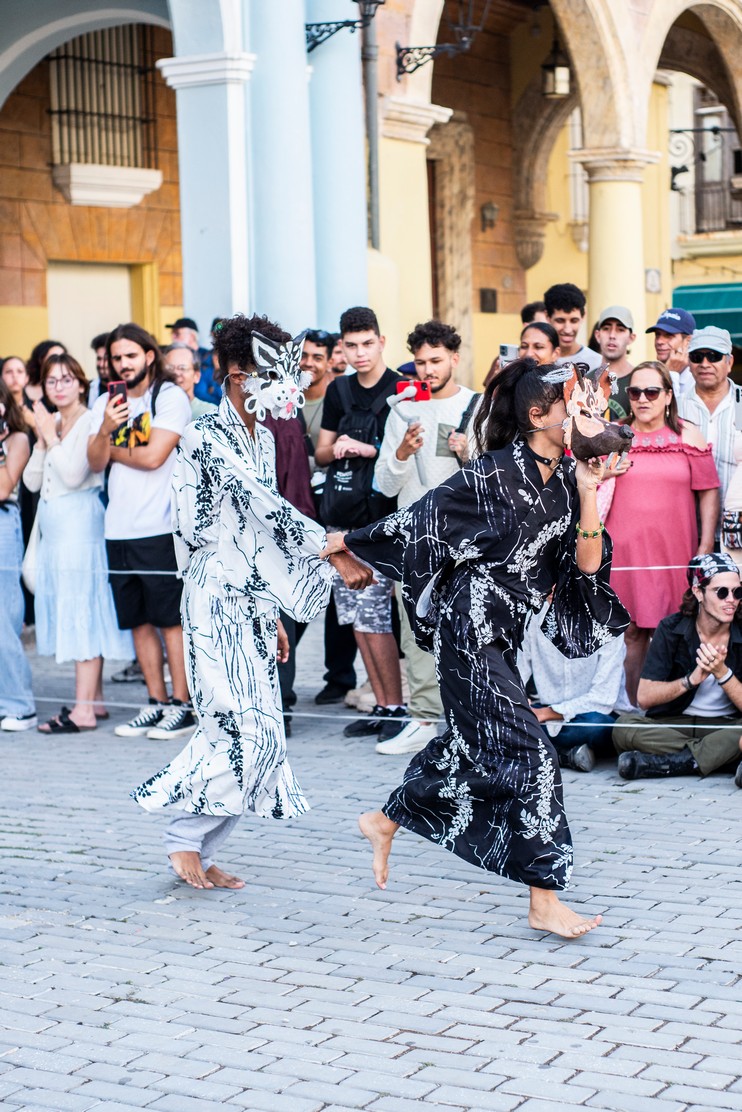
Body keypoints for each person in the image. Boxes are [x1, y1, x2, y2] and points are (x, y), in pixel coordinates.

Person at [322, 356, 630, 939]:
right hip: (468, 628)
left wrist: (589, 491)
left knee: (472, 748)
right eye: (574, 406)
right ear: (539, 416)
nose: (586, 414)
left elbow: (586, 565)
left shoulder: (566, 480)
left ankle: (386, 819)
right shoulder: (489, 474)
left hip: (507, 634)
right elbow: (414, 523)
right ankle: (544, 895)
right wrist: (342, 542)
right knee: (533, 754)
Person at [131, 313, 372, 890]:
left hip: (249, 601)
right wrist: (331, 550)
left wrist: (271, 613)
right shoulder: (204, 435)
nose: (291, 382)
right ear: (239, 375)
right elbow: (261, 503)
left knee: (263, 728)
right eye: (275, 371)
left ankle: (204, 845)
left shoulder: (262, 437)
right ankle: (183, 840)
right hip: (212, 595)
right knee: (230, 724)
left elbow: (258, 535)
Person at [373, 319, 476, 754]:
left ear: (455, 358)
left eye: (436, 361)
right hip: (414, 536)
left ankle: (468, 720)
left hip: (463, 538)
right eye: (420, 363)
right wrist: (401, 454)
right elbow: (383, 484)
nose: (427, 370)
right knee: (415, 630)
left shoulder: (478, 406)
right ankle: (423, 719)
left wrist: (467, 453)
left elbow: (493, 478)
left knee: (466, 630)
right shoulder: (401, 408)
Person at [87, 323, 195, 739]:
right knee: (137, 621)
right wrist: (103, 430)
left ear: (149, 356)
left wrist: (113, 448)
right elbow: (95, 462)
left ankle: (183, 705)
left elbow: (153, 458)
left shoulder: (168, 397)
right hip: (118, 528)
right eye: (116, 358)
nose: (123, 364)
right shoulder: (106, 403)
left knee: (170, 621)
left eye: (130, 355)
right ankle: (156, 701)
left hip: (159, 527)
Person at [22, 353, 132, 732]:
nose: (59, 387)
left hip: (80, 528)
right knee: (74, 607)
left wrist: (50, 438)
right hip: (56, 530)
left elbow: (72, 473)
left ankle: (82, 709)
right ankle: (94, 701)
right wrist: (42, 441)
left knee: (82, 610)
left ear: (81, 384)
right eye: (52, 381)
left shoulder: (89, 420)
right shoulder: (51, 423)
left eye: (66, 379)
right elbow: (33, 483)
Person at [604, 361, 720, 707]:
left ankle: (666, 713)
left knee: (670, 631)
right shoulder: (613, 435)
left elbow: (709, 491)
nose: (642, 399)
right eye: (635, 392)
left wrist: (704, 545)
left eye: (652, 391)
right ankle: (631, 711)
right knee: (629, 632)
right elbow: (588, 486)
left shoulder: (688, 436)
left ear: (668, 396)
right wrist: (609, 470)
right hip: (623, 555)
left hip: (675, 553)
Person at [314, 306, 404, 739]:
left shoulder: (400, 388)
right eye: (350, 345)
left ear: (382, 342)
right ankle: (379, 707)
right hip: (341, 517)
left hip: (383, 522)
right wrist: (342, 448)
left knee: (376, 618)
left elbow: (407, 450)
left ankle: (396, 706)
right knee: (353, 616)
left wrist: (369, 449)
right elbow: (321, 451)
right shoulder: (338, 391)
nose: (359, 352)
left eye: (367, 343)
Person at [614, 554, 742, 781]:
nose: (731, 599)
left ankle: (678, 762)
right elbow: (644, 697)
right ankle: (715, 758)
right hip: (674, 723)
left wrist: (723, 673)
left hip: (726, 726)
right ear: (698, 592)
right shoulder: (671, 628)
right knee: (623, 728)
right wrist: (690, 680)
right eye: (721, 592)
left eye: (737, 592)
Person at [298, 328, 359, 707]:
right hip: (292, 504)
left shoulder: (337, 397)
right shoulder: (282, 399)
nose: (308, 363)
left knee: (338, 595)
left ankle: (339, 676)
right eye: (303, 355)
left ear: (328, 360)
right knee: (297, 587)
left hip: (328, 504)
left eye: (317, 356)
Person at [519, 601, 625, 772]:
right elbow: (517, 673)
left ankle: (542, 750)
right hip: (543, 712)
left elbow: (603, 698)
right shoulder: (533, 617)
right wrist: (522, 703)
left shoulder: (608, 619)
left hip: (589, 715)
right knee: (511, 721)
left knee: (598, 727)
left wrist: (545, 714)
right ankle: (567, 755)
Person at [0, 381, 35, 732]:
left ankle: (19, 704)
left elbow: (3, 486)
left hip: (2, 523)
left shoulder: (18, 439)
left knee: (3, 622)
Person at [678, 326, 740, 510]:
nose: (705, 363)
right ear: (689, 363)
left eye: (714, 356)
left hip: (736, 525)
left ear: (729, 362)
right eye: (697, 357)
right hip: (689, 525)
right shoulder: (675, 408)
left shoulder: (741, 403)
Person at [544, 283, 603, 372]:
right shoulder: (537, 358)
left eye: (574, 321)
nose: (567, 329)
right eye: (560, 321)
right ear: (547, 317)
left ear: (583, 316)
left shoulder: (597, 363)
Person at [594, 306, 636, 419]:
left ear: (631, 338)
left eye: (620, 330)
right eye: (606, 328)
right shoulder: (585, 381)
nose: (612, 335)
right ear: (597, 335)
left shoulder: (639, 381)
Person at [166, 316, 218, 404]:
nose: (173, 338)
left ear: (192, 336)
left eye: (177, 334)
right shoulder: (169, 356)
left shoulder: (210, 359)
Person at [646, 308, 696, 400]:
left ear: (688, 341)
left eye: (668, 335)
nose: (659, 341)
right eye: (657, 335)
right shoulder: (649, 375)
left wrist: (672, 374)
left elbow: (675, 412)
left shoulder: (699, 379)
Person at [163, 342, 216, 419]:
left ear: (196, 376)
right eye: (170, 369)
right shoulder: (154, 410)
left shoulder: (209, 414)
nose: (175, 373)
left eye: (182, 368)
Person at [26, 340, 67, 408]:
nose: (59, 360)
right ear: (40, 360)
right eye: (53, 357)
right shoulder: (23, 384)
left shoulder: (69, 386)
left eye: (63, 357)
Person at [87, 333, 111, 407]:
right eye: (99, 359)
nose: (101, 364)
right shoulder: (87, 389)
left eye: (106, 359)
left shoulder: (127, 387)